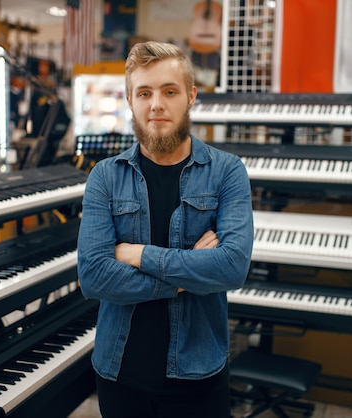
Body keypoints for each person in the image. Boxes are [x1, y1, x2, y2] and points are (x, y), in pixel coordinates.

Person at [77, 41, 254, 418]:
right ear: (129, 100)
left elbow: (232, 267)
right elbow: (93, 277)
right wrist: (186, 274)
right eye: (144, 92)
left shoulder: (227, 172)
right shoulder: (105, 178)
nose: (156, 104)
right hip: (120, 373)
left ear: (190, 96)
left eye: (169, 91)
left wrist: (135, 254)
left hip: (199, 375)